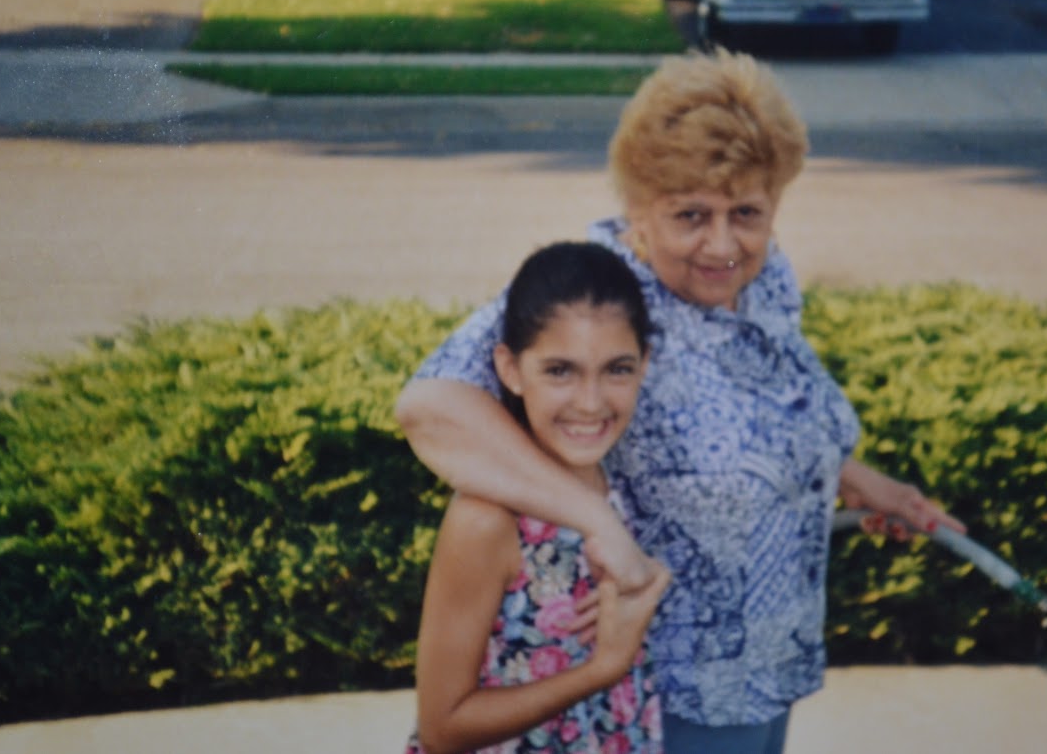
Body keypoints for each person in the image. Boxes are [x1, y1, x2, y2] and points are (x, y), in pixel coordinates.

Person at [397, 48, 962, 754]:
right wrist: (600, 524)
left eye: (747, 212)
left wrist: (855, 478)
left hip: (770, 665)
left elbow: (763, 419)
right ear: (638, 208)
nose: (722, 244)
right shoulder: (602, 296)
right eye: (691, 214)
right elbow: (432, 408)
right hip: (671, 688)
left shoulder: (762, 282)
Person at [404, 241, 671, 754]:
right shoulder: (485, 521)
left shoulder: (614, 478)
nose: (590, 403)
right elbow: (442, 729)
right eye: (559, 371)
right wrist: (604, 668)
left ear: (645, 363)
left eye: (618, 368)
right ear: (509, 369)